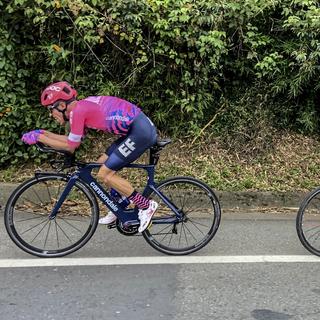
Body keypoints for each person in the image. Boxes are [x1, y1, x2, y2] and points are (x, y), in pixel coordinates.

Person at [21, 81, 158, 233]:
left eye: (50, 109)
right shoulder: (79, 109)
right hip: (134, 129)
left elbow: (70, 146)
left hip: (140, 133)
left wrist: (40, 138)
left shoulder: (78, 112)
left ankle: (146, 205)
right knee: (100, 165)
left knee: (105, 174)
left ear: (60, 106)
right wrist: (42, 133)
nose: (50, 114)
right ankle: (119, 205)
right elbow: (71, 140)